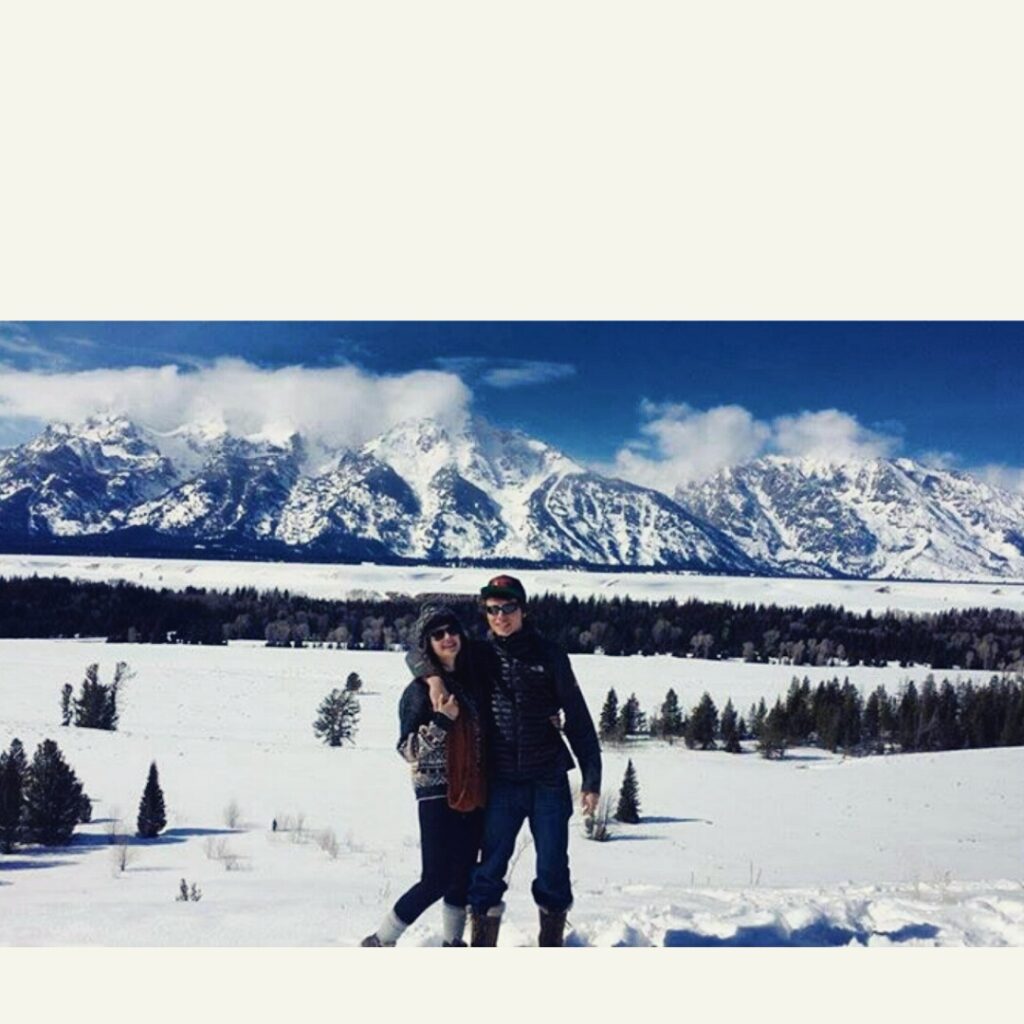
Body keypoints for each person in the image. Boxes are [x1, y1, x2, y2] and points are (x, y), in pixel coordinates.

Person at [411, 574, 601, 947]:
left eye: (508, 608)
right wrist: (432, 679)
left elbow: (577, 717)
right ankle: (483, 946)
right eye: (492, 610)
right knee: (489, 870)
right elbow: (420, 650)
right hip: (500, 781)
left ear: (523, 610)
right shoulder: (478, 656)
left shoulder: (550, 656)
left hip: (548, 778)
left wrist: (592, 778)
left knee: (552, 868)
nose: (500, 617)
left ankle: (552, 944)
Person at [361, 603, 486, 947]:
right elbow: (408, 750)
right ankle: (381, 940)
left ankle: (453, 943)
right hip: (435, 793)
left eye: (452, 631)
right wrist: (442, 722)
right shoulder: (418, 693)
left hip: (471, 790)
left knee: (461, 875)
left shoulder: (470, 681)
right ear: (427, 644)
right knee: (436, 878)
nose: (448, 638)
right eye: (438, 634)